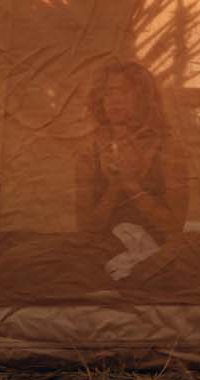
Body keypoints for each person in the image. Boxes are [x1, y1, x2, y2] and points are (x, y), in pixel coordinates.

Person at [76, 60, 188, 243]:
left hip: (157, 251)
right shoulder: (89, 151)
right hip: (100, 251)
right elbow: (85, 229)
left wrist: (132, 186)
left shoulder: (168, 148)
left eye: (124, 91)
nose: (115, 99)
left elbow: (175, 228)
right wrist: (115, 187)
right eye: (108, 92)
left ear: (143, 97)